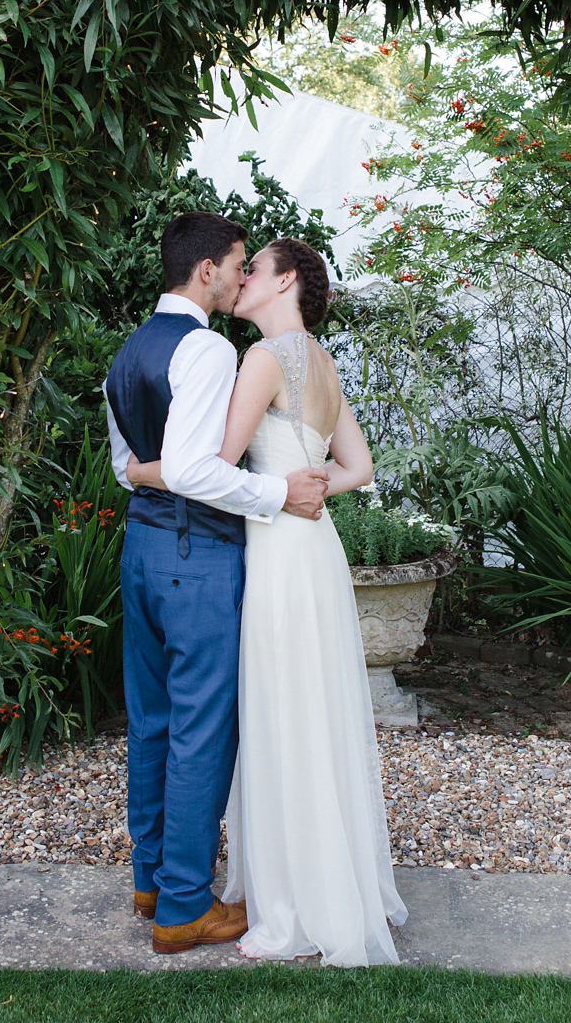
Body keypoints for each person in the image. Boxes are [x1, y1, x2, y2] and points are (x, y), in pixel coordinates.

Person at [128, 237, 407, 966]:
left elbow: (208, 469)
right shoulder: (323, 362)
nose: (244, 276)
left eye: (257, 269)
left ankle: (285, 892)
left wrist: (138, 470)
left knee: (280, 714)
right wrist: (308, 487)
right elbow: (361, 467)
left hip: (277, 544)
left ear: (286, 283)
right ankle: (331, 882)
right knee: (316, 710)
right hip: (316, 550)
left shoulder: (258, 359)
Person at [103, 212, 329, 955]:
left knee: (154, 721)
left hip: (139, 550)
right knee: (202, 731)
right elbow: (198, 468)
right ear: (206, 271)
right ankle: (184, 909)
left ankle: (151, 880)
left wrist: (144, 475)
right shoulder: (204, 350)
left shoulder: (130, 351)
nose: (240, 277)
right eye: (236, 264)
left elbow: (127, 466)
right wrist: (277, 496)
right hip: (193, 558)